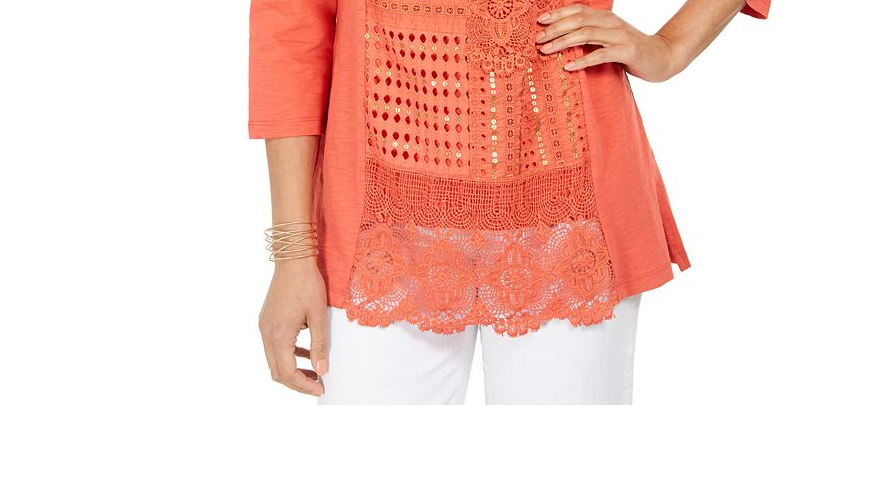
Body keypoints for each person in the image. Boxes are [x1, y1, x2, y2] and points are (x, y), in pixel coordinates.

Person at [250, 0, 769, 405]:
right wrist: (293, 256)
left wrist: (670, 49)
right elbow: (290, 31)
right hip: (379, 226)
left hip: (569, 219)